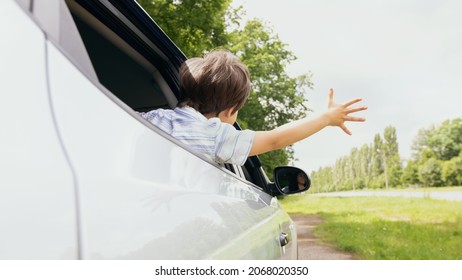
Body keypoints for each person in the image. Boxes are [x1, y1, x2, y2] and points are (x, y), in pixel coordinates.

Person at [140, 50, 367, 166]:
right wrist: (326, 118)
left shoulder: (154, 116)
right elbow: (275, 139)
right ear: (230, 111)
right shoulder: (216, 136)